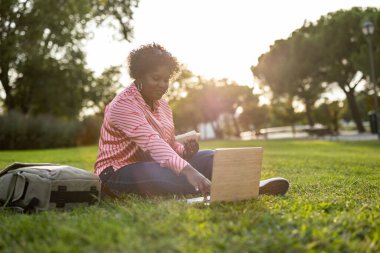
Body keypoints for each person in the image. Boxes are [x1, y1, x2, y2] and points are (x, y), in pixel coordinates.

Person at [94, 43, 289, 198]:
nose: (163, 85)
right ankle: (224, 188)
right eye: (156, 78)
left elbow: (168, 146)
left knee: (211, 157)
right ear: (139, 75)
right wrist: (189, 171)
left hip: (152, 162)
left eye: (166, 79)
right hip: (117, 171)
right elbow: (152, 144)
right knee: (168, 174)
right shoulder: (123, 105)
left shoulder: (163, 106)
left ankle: (247, 185)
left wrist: (184, 151)